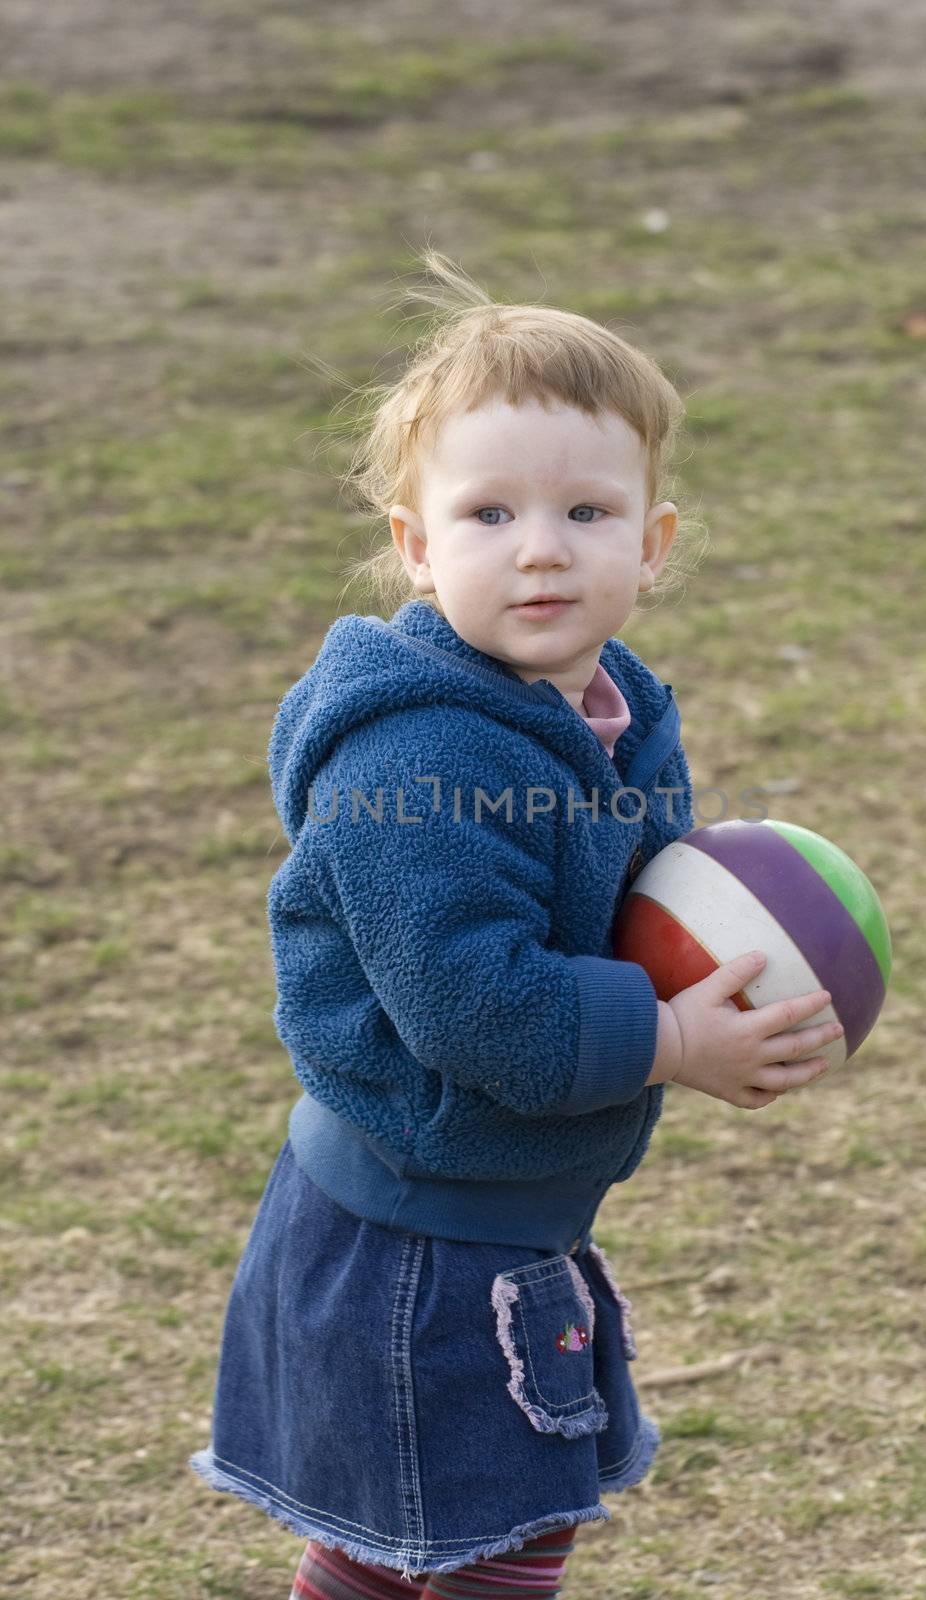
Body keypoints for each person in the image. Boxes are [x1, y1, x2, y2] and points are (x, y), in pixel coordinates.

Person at [188, 250, 844, 1598]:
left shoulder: (605, 704)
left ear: (652, 545)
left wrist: (743, 965)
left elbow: (646, 888)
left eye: (587, 510)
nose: (540, 546)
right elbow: (469, 1000)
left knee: (401, 1552)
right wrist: (667, 1037)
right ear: (416, 547)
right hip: (420, 1241)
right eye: (488, 514)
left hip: (497, 1209)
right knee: (487, 1546)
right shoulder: (411, 758)